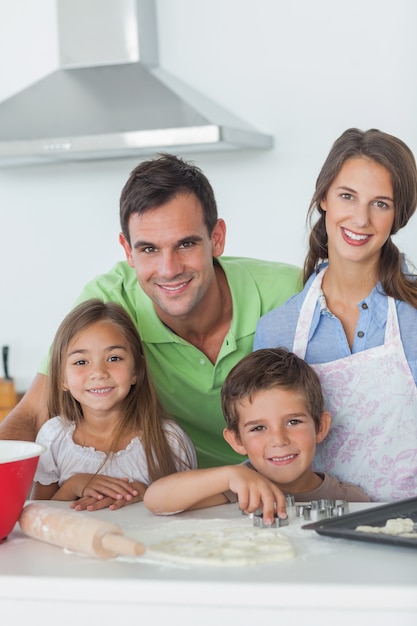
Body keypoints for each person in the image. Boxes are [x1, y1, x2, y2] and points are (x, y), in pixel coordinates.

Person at [0, 153, 301, 471]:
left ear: (217, 238)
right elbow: (34, 413)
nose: (169, 269)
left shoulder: (289, 292)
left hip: (285, 481)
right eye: (148, 249)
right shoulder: (108, 307)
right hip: (173, 495)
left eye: (186, 244)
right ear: (128, 250)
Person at [254, 128, 417, 502]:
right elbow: (266, 447)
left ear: (398, 215)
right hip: (314, 532)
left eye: (380, 203)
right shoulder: (277, 330)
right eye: (347, 196)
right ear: (324, 197)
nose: (360, 219)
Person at [144, 348, 370, 521]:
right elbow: (156, 499)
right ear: (236, 439)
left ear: (320, 426)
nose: (279, 439)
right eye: (258, 428)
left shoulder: (352, 500)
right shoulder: (238, 488)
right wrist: (229, 476)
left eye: (293, 422)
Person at [31, 299, 197, 511]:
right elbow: (39, 513)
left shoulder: (169, 440)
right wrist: (74, 486)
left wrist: (147, 494)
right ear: (62, 379)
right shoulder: (52, 438)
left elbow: (189, 518)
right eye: (81, 362)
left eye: (114, 358)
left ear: (136, 371)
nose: (99, 372)